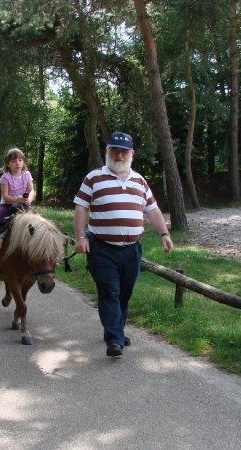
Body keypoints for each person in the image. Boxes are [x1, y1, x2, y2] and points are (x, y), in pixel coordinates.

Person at [73, 132, 174, 357]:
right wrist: (80, 238)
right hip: (102, 248)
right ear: (107, 151)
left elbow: (153, 210)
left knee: (124, 294)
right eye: (114, 150)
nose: (119, 155)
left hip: (131, 250)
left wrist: (164, 234)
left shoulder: (139, 181)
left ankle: (115, 330)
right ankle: (115, 340)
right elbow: (81, 208)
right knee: (110, 291)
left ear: (131, 154)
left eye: (124, 151)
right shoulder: (93, 178)